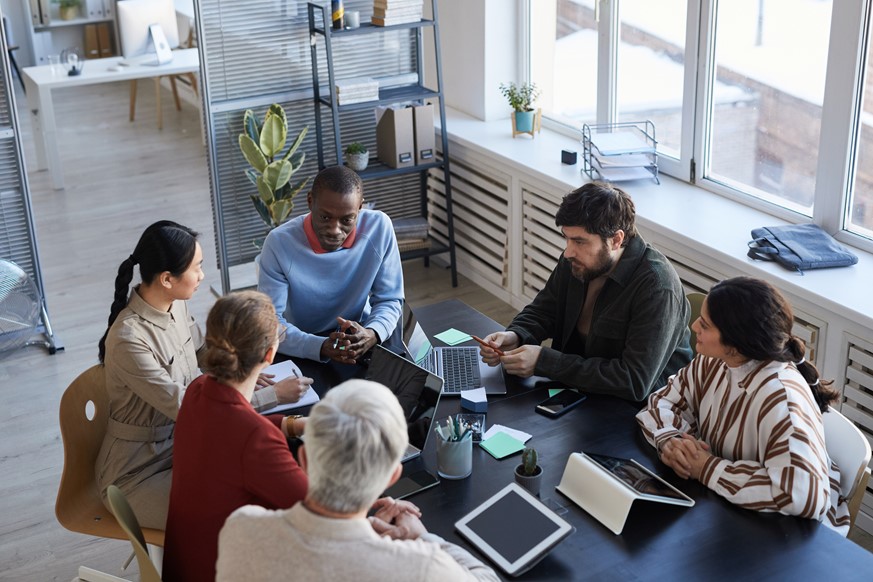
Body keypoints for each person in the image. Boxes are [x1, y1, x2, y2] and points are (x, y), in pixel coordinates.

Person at [95, 221, 309, 530]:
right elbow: (188, 408)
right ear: (168, 279)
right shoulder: (129, 339)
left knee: (266, 485)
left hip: (186, 445)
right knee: (244, 513)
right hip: (138, 473)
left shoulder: (174, 304)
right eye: (197, 268)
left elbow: (201, 355)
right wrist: (270, 396)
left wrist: (244, 373)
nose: (202, 276)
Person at [215, 379, 500, 582]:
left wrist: (360, 529)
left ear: (304, 460)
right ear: (393, 476)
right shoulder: (422, 567)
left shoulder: (241, 527)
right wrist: (421, 537)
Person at [636, 277, 850, 535]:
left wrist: (705, 467)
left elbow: (801, 495)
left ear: (736, 345)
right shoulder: (716, 360)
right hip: (729, 512)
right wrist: (672, 441)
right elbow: (663, 402)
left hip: (791, 538)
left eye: (704, 324)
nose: (694, 326)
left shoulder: (782, 399)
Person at [479, 182, 692, 401]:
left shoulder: (657, 288)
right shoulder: (577, 261)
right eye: (567, 238)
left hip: (641, 411)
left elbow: (633, 381)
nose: (568, 251)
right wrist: (516, 334)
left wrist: (545, 362)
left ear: (616, 240)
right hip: (580, 390)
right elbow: (545, 310)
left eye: (580, 241)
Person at [162, 290, 309, 582]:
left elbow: (231, 428)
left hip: (186, 565)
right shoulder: (256, 439)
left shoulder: (198, 389)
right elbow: (317, 511)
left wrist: (294, 424)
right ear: (269, 354)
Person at [258, 165, 404, 364]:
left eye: (346, 220)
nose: (335, 230)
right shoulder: (279, 243)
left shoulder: (379, 227)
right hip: (301, 343)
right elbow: (270, 324)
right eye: (325, 217)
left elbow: (390, 299)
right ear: (310, 201)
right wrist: (319, 346)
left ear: (360, 207)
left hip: (360, 336)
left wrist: (373, 333)